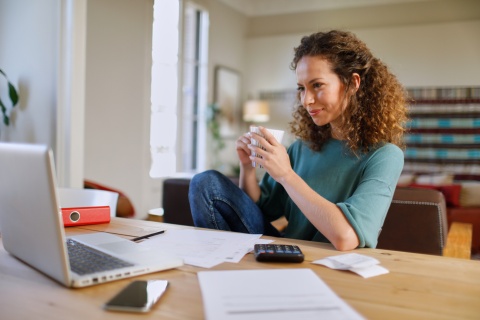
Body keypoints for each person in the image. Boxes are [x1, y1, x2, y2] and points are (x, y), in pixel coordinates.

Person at [188, 30, 408, 251]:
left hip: (334, 263)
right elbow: (260, 209)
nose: (307, 100)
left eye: (317, 85)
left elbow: (346, 237)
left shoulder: (385, 156)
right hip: (289, 253)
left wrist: (286, 175)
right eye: (301, 88)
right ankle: (224, 266)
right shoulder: (301, 148)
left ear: (352, 83)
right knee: (206, 184)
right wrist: (247, 167)